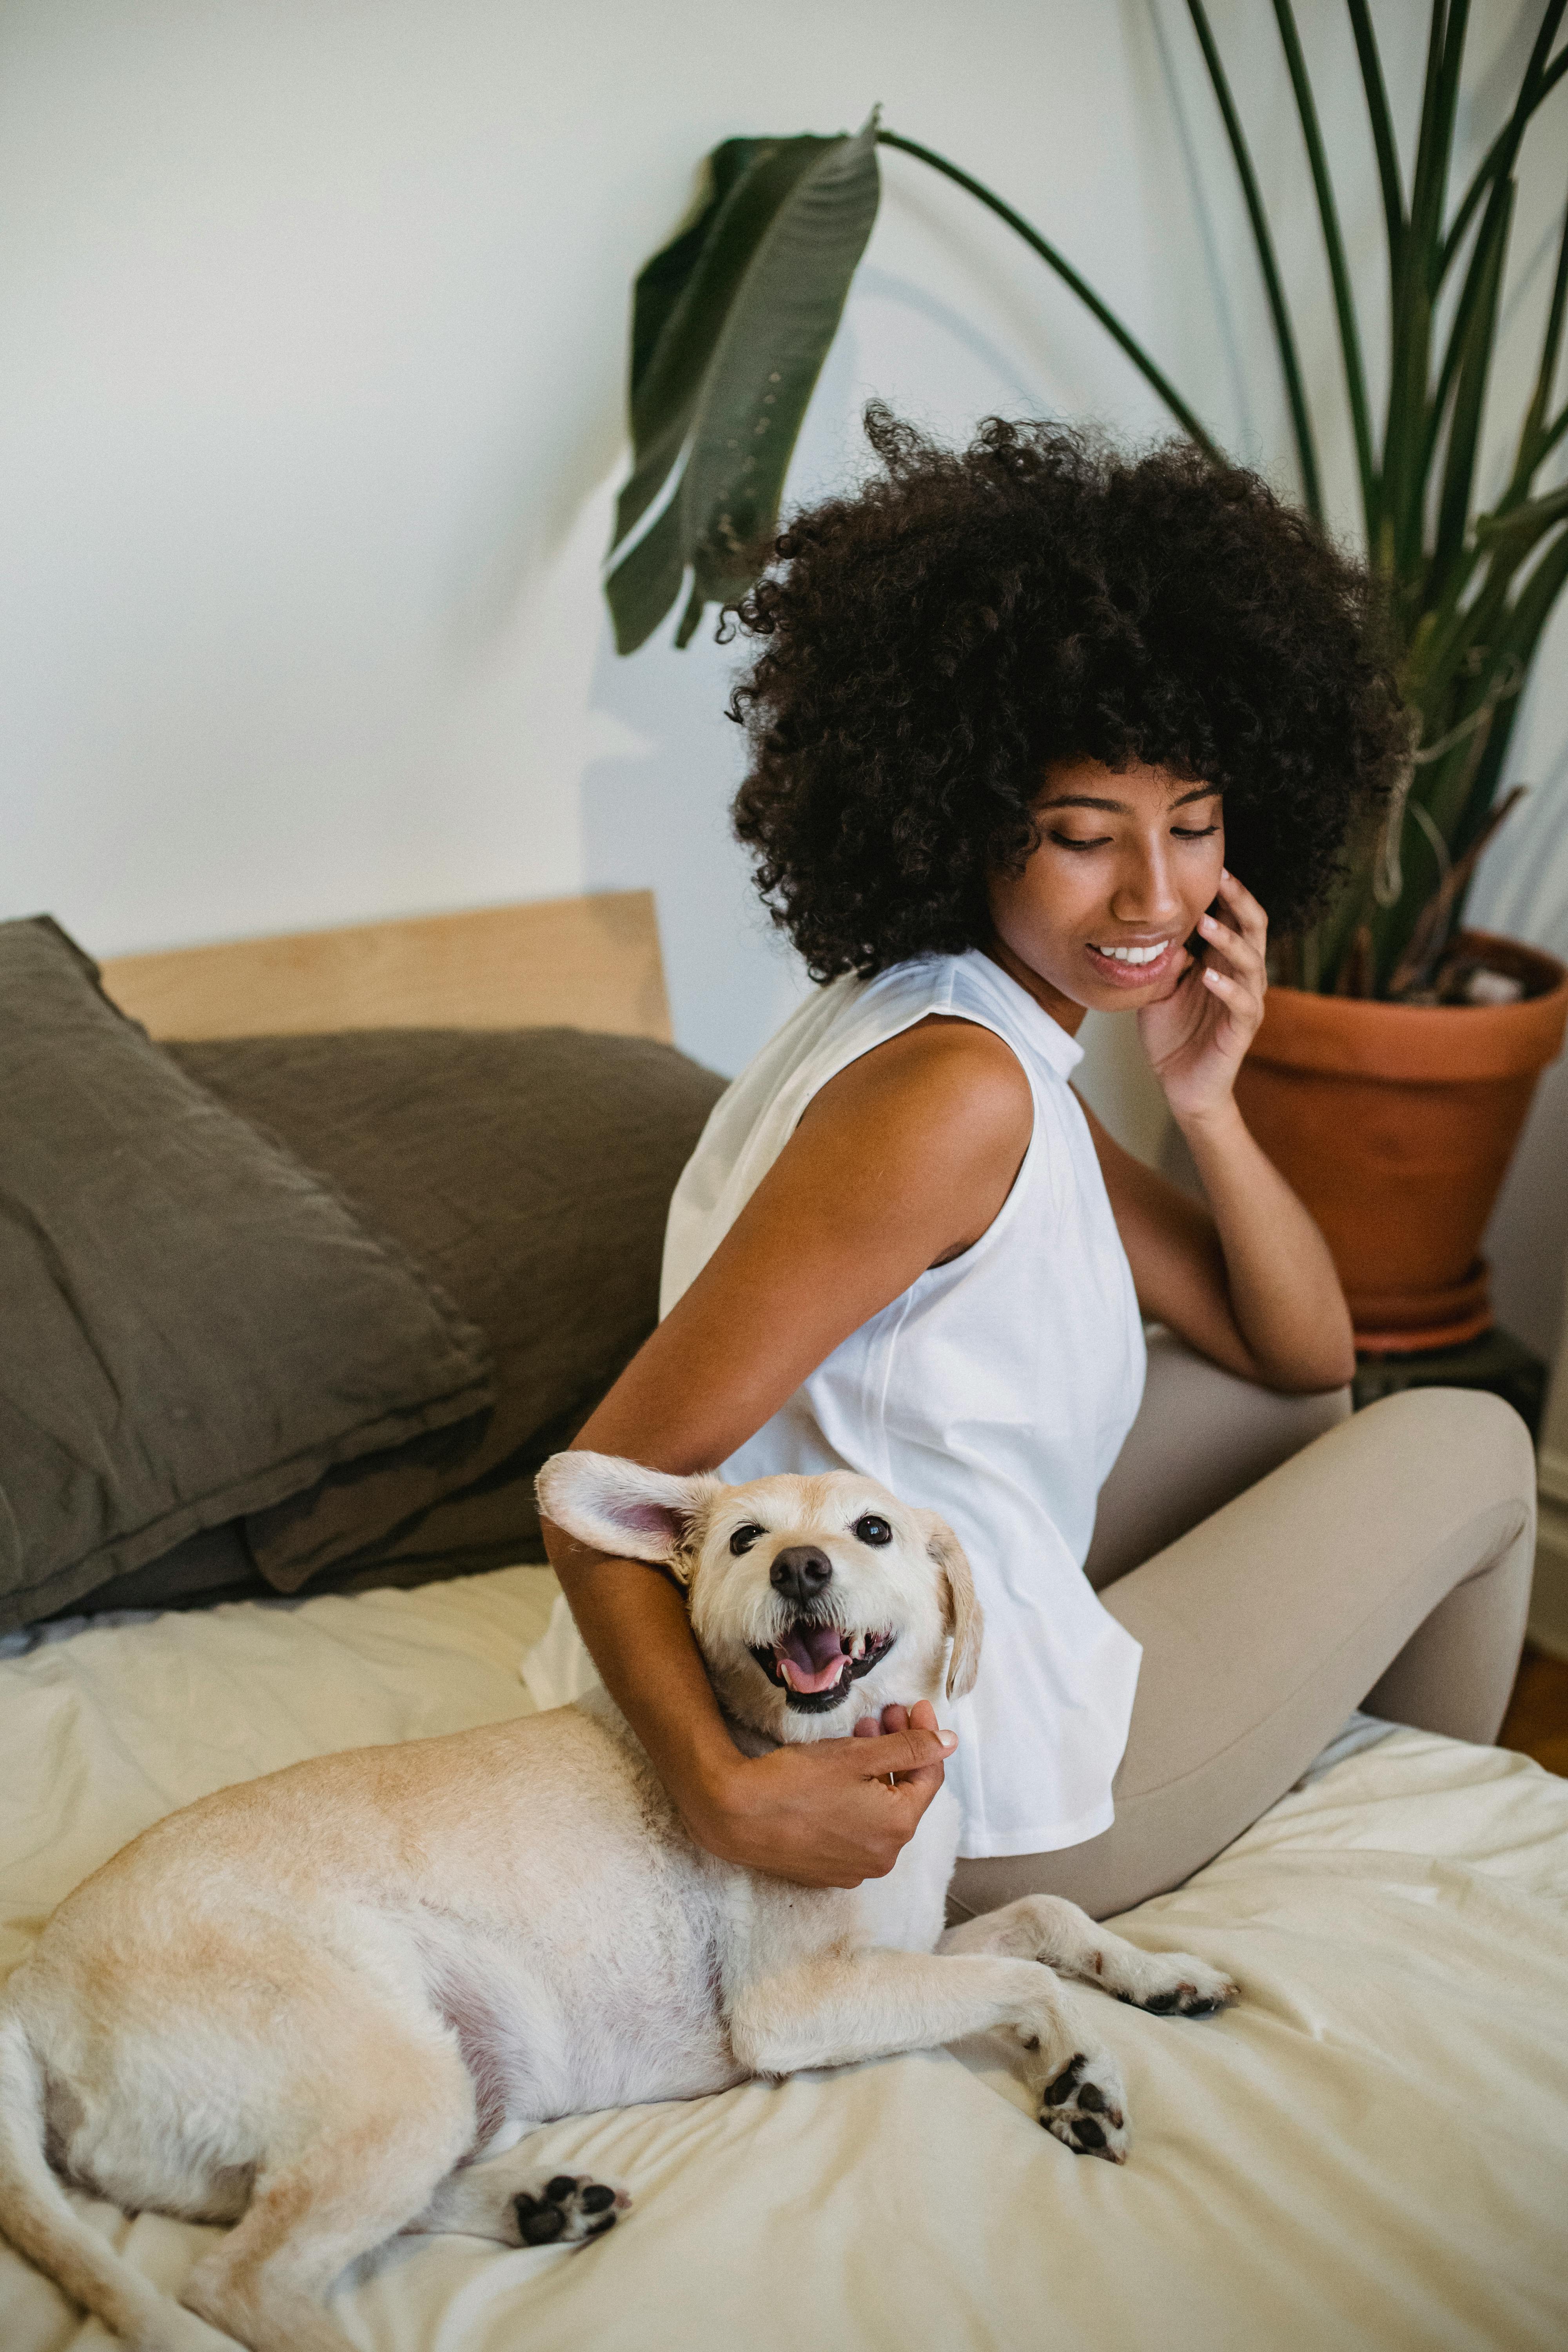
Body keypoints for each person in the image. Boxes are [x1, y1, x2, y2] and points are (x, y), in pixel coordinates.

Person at [530, 410, 1535, 1921]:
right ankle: (1419, 1890)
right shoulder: (955, 1096)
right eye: (1083, 834)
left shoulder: (971, 1022)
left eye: (1193, 826)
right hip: (924, 1783)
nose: (1156, 891)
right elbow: (598, 1485)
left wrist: (1208, 1102)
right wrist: (727, 1796)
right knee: (1475, 1443)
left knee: (1307, 1407)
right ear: (967, 815)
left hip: (913, 1606)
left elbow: (1301, 1355)